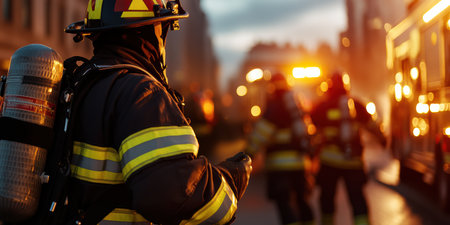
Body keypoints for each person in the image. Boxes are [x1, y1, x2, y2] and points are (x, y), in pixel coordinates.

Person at [62, 0, 252, 224]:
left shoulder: (78, 83)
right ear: (152, 32)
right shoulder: (142, 93)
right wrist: (232, 179)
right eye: (164, 29)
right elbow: (178, 198)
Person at [310, 71, 386, 225]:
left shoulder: (321, 107)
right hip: (353, 162)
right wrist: (383, 140)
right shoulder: (357, 105)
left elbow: (312, 133)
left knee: (327, 199)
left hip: (329, 163)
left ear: (329, 87)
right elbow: (373, 128)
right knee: (357, 199)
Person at [246, 72, 315, 225]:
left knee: (285, 205)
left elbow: (262, 133)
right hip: (300, 163)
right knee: (303, 202)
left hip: (279, 167)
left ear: (272, 87)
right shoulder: (297, 103)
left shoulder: (274, 106)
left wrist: (248, 152)